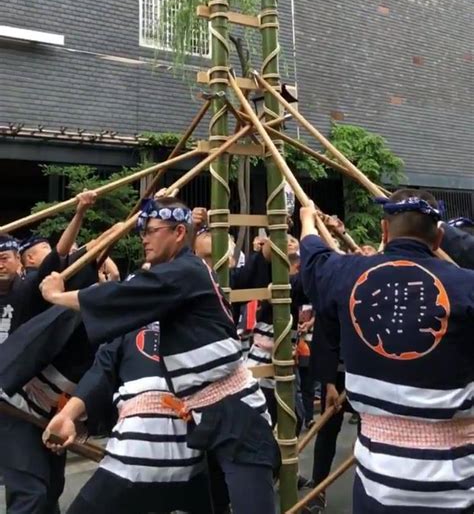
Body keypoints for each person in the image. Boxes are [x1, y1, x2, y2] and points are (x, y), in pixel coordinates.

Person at [40, 197, 280, 514]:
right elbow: (105, 364)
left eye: (151, 230)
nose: (144, 238)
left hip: (235, 412)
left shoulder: (185, 272)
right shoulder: (166, 293)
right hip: (199, 416)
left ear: (179, 232)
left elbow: (120, 296)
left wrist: (56, 295)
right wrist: (69, 414)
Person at [300, 189, 474, 513]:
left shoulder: (346, 275)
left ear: (383, 231)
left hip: (376, 480)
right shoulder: (466, 287)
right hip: (456, 484)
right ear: (438, 238)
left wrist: (307, 220)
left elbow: (312, 256)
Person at [43, 321, 212, 514]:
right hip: (191, 463)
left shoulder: (125, 326)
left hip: (133, 460)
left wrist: (67, 415)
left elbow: (100, 374)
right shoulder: (197, 327)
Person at [0, 190, 97, 514]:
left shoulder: (29, 293)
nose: (1, 264)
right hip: (12, 407)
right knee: (30, 490)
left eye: (5, 258)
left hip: (28, 399)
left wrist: (80, 213)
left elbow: (62, 255)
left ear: (20, 262)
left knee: (47, 487)